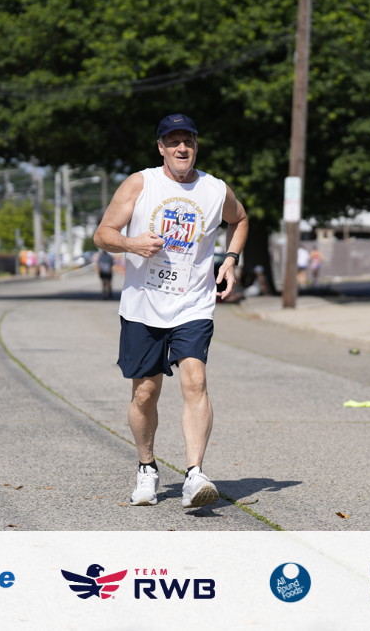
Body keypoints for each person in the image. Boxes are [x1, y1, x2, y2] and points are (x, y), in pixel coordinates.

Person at [93, 113, 248, 509]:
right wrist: (132, 244)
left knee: (195, 380)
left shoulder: (215, 189)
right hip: (143, 305)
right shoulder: (140, 183)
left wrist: (230, 260)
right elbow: (103, 234)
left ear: (196, 145)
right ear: (160, 147)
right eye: (173, 141)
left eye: (188, 141)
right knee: (145, 392)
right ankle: (147, 467)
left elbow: (241, 219)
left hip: (193, 302)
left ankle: (195, 474)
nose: (182, 148)